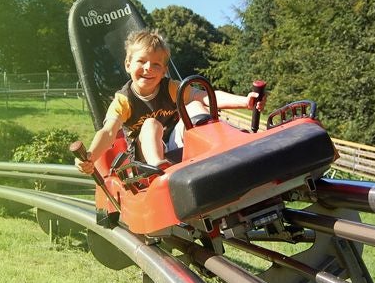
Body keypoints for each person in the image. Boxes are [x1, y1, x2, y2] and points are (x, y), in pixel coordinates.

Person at [75, 29, 264, 175]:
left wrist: (245, 101)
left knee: (195, 105)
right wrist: (90, 156)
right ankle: (160, 172)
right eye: (141, 61)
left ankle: (219, 149)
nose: (148, 68)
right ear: (128, 64)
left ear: (164, 70)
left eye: (156, 64)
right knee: (150, 125)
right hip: (145, 158)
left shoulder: (172, 88)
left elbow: (207, 96)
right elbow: (108, 132)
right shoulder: (124, 100)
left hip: (174, 146)